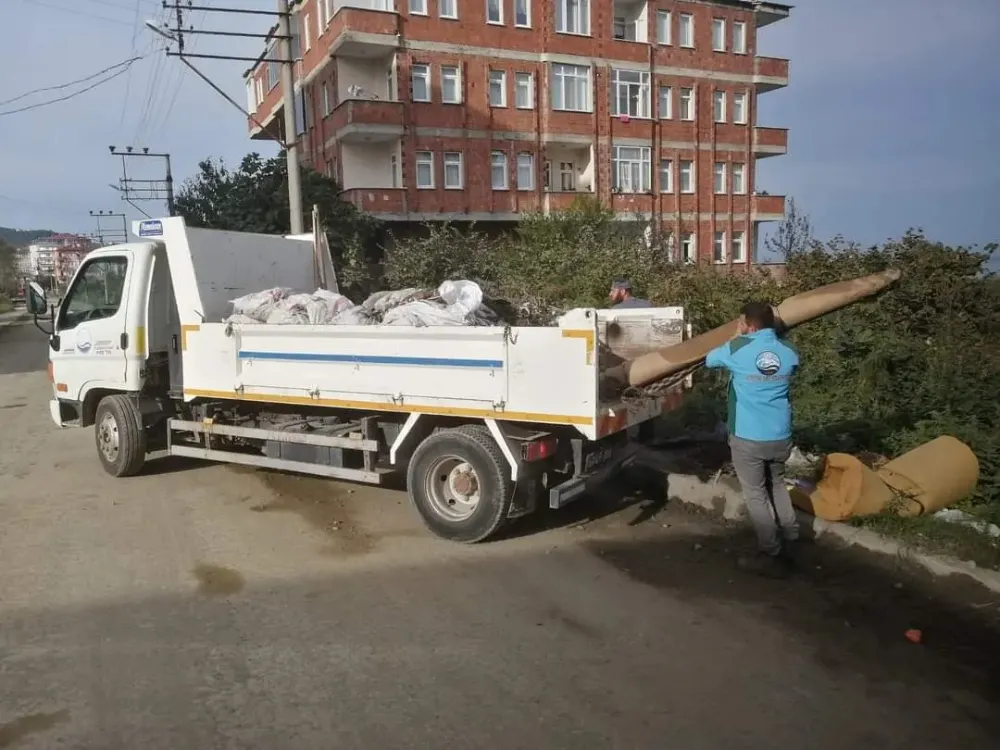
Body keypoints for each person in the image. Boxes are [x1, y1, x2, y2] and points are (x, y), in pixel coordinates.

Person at [705, 301, 801, 578]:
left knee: (756, 493)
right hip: (780, 434)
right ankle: (792, 534)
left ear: (749, 324)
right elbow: (787, 366)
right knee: (778, 484)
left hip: (748, 435)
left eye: (742, 322)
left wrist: (737, 336)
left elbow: (710, 360)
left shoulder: (738, 348)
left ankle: (770, 551)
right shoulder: (789, 351)